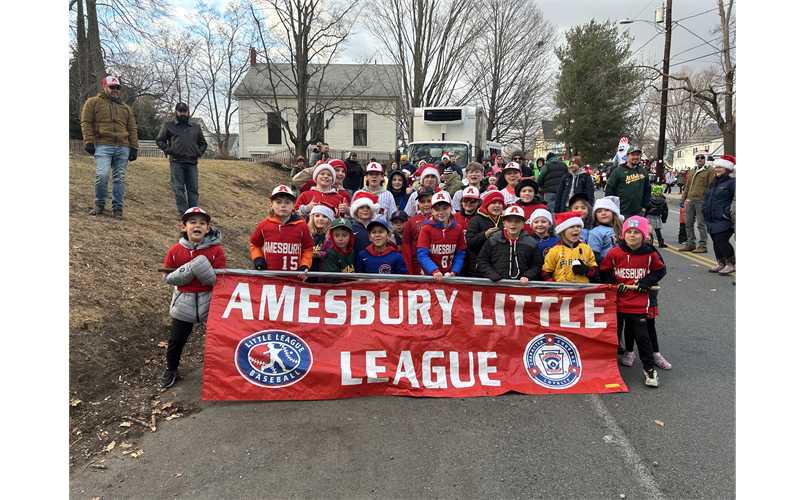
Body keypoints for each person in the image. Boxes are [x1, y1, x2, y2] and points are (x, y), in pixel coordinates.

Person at [160, 207, 225, 388]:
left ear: (207, 228)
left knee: (219, 338)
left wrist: (200, 265)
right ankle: (171, 368)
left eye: (202, 223)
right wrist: (192, 267)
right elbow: (168, 277)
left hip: (210, 300)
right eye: (193, 222)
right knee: (176, 340)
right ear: (183, 226)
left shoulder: (216, 251)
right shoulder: (174, 250)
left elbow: (218, 280)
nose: (197, 225)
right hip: (183, 301)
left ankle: (222, 370)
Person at [599, 216, 667, 388]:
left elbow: (660, 270)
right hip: (616, 303)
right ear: (623, 234)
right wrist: (615, 284)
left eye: (637, 232)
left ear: (643, 235)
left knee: (642, 336)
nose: (632, 235)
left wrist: (647, 282)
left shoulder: (650, 253)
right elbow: (604, 271)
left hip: (638, 304)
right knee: (613, 335)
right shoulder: (614, 253)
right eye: (629, 231)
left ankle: (649, 369)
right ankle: (608, 367)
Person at [82, 76, 139, 220]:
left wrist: (134, 148)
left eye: (117, 88)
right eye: (112, 87)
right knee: (102, 175)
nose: (115, 90)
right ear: (104, 87)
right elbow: (86, 122)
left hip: (123, 147)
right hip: (102, 145)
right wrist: (89, 141)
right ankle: (100, 203)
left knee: (119, 178)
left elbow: (132, 128)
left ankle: (117, 208)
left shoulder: (125, 108)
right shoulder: (93, 102)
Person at [155, 102, 208, 218]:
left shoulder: (195, 127)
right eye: (180, 111)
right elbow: (160, 140)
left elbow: (203, 143)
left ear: (188, 112)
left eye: (184, 111)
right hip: (176, 162)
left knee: (193, 190)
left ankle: (193, 213)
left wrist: (198, 152)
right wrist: (169, 150)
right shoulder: (169, 125)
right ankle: (183, 214)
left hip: (192, 162)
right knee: (178, 189)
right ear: (176, 112)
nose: (182, 113)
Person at [249, 185, 314, 280]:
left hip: (294, 280)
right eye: (278, 202)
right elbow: (255, 245)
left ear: (293, 205)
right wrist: (258, 259)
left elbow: (308, 249)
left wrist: (304, 266)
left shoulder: (302, 226)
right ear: (271, 205)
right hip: (269, 279)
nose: (283, 205)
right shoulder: (263, 225)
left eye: (287, 202)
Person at [476, 206, 543, 285]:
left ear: (523, 224)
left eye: (517, 221)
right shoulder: (493, 240)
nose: (513, 224)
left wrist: (527, 276)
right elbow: (482, 260)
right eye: (509, 221)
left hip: (521, 288)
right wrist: (491, 274)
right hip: (496, 286)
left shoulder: (531, 243)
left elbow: (536, 265)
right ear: (503, 223)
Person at [416, 191, 467, 283]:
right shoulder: (426, 229)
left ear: (451, 208)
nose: (441, 212)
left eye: (444, 208)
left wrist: (454, 271)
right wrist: (434, 270)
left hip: (449, 277)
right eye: (437, 209)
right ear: (431, 211)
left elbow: (460, 253)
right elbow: (422, 255)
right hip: (430, 276)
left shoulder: (458, 228)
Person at [702, 155, 737, 275]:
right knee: (715, 240)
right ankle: (721, 262)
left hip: (724, 218)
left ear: (727, 169)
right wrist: (704, 209)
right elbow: (706, 198)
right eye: (716, 167)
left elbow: (735, 200)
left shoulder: (732, 182)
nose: (717, 169)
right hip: (711, 217)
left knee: (721, 239)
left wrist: (727, 212)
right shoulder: (714, 182)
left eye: (720, 167)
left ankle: (732, 263)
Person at [541, 211, 598, 283]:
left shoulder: (586, 248)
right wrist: (553, 288)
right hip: (561, 291)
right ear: (562, 231)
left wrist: (586, 270)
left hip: (582, 291)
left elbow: (595, 270)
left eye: (578, 226)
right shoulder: (554, 251)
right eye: (571, 226)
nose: (576, 229)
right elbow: (545, 272)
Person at [679, 152, 716, 253]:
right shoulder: (692, 170)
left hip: (701, 201)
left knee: (701, 224)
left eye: (702, 157)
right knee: (688, 223)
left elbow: (711, 186)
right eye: (697, 158)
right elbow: (687, 186)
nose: (699, 159)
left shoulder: (709, 170)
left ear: (706, 158)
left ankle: (703, 245)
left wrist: (708, 200)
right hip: (690, 200)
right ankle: (690, 243)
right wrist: (683, 198)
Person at [465, 190, 505, 277]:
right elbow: (470, 243)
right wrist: (485, 234)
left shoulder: (505, 221)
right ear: (486, 205)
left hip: (500, 269)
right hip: (478, 270)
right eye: (493, 203)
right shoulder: (476, 220)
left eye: (500, 203)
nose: (497, 205)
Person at [605, 146, 651, 219]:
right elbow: (609, 191)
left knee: (636, 230)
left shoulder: (643, 172)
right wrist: (612, 208)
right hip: (621, 212)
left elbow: (647, 191)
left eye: (637, 155)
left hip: (638, 212)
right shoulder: (618, 171)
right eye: (633, 155)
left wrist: (644, 207)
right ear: (627, 157)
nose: (635, 157)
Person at [401, 186, 434, 275]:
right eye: (422, 201)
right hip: (417, 266)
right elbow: (406, 248)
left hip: (436, 264)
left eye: (429, 200)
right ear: (418, 203)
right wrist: (410, 273)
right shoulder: (411, 221)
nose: (426, 204)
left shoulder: (441, 220)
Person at [587, 196, 623, 264]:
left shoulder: (622, 229)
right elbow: (593, 255)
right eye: (599, 211)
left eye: (607, 210)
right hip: (606, 268)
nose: (603, 213)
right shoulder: (595, 232)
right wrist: (609, 264)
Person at [320, 217, 357, 284]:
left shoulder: (352, 252)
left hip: (350, 289)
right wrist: (348, 284)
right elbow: (330, 277)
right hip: (336, 290)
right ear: (332, 236)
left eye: (344, 235)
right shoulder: (331, 253)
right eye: (336, 235)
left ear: (350, 236)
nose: (340, 239)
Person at [306, 205, 335, 281]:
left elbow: (335, 255)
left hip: (323, 275)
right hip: (307, 273)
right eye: (317, 216)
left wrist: (320, 255)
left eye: (324, 216)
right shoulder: (306, 234)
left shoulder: (332, 236)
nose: (320, 219)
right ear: (312, 218)